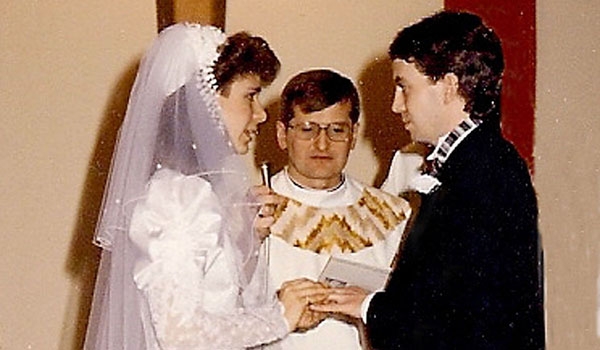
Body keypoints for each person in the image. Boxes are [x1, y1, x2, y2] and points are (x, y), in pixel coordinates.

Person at [84, 23, 328, 350]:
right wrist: (279, 318)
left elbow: (216, 301)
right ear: (204, 101)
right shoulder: (178, 197)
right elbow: (180, 334)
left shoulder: (196, 192)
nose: (260, 115)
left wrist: (245, 236)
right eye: (250, 96)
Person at [311, 11, 545, 349]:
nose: (395, 105)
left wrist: (368, 306)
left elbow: (460, 317)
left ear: (449, 87)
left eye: (404, 88)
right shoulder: (475, 163)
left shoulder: (484, 173)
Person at [263, 69, 412, 349]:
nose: (322, 144)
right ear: (283, 134)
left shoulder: (392, 215)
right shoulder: (254, 212)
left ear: (354, 135)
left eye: (337, 130)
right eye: (307, 129)